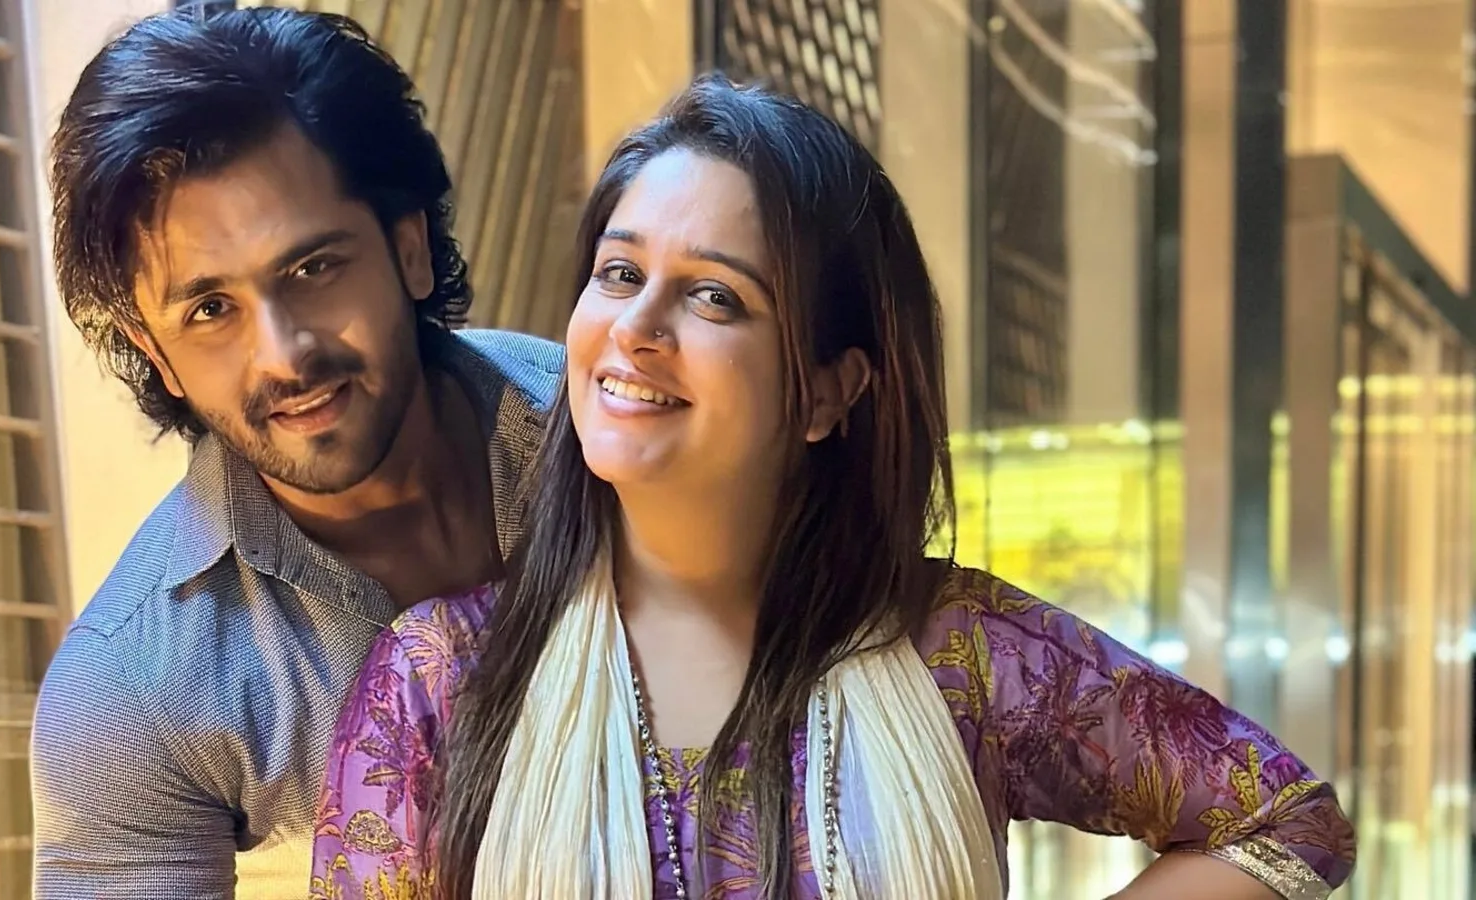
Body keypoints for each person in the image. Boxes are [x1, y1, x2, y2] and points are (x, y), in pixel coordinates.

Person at [311, 76, 1356, 900]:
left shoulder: (957, 654)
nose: (634, 328)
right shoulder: (441, 683)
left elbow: (1286, 821)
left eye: (714, 297)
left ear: (825, 391)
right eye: (620, 274)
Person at [29, 7, 560, 899]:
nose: (283, 354)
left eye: (313, 268)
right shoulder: (132, 689)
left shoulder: (599, 434)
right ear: (156, 353)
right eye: (210, 310)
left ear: (409, 248)